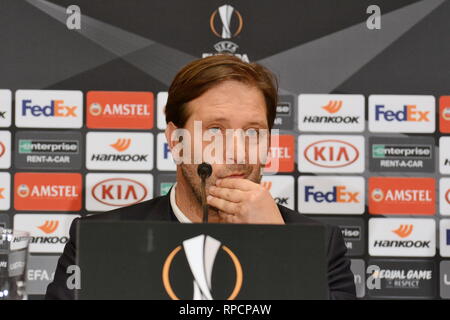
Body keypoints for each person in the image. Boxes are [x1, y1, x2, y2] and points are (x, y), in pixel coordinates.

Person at [45, 54, 356, 300]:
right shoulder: (101, 242)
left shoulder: (319, 245)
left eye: (252, 132)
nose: (237, 152)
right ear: (175, 140)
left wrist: (278, 248)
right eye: (215, 130)